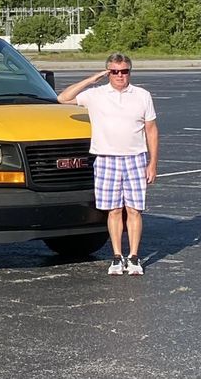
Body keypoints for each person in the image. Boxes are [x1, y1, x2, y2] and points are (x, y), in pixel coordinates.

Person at [56, 53, 158, 276]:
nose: (120, 76)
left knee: (133, 209)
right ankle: (116, 256)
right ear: (108, 73)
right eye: (114, 71)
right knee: (113, 210)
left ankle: (133, 257)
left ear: (130, 72)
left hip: (135, 158)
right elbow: (63, 98)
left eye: (124, 71)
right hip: (105, 159)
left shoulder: (142, 96)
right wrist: (93, 78)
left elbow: (151, 130)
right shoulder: (96, 95)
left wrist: (152, 163)